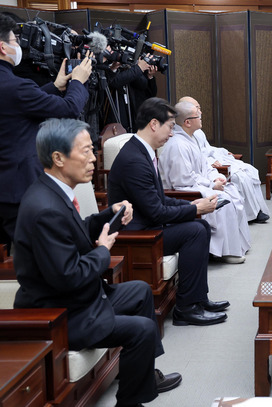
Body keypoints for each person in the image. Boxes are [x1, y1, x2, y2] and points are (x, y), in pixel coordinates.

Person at [13, 118, 182, 407]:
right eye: (87, 151)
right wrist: (103, 251)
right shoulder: (45, 209)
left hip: (79, 298)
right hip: (62, 314)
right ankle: (130, 402)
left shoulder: (54, 192)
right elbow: (68, 276)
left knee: (140, 291)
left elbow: (76, 231)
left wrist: (109, 214)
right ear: (58, 158)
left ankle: (142, 374)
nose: (94, 159)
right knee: (141, 330)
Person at [108, 97, 230, 326]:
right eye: (170, 127)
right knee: (196, 230)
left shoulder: (143, 151)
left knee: (200, 226)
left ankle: (198, 299)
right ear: (154, 124)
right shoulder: (134, 159)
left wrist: (192, 206)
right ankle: (186, 309)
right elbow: (156, 212)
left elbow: (159, 199)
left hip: (148, 226)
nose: (172, 134)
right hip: (138, 236)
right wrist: (193, 210)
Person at [0, 13, 93, 247]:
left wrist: (56, 86)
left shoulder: (13, 88)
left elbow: (17, 107)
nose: (19, 45)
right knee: (34, 258)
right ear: (2, 47)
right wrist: (78, 83)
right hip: (18, 190)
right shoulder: (16, 86)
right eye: (15, 41)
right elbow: (70, 109)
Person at [159, 101, 250, 264]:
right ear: (187, 122)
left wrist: (215, 178)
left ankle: (235, 246)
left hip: (196, 185)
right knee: (224, 201)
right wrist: (211, 185)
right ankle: (223, 251)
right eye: (198, 115)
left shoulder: (190, 139)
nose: (201, 117)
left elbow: (204, 166)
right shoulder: (178, 145)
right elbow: (183, 180)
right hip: (184, 191)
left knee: (233, 192)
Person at [178, 96, 270, 223]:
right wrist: (212, 178)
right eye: (197, 110)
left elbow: (207, 150)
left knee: (249, 170)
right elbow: (188, 174)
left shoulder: (196, 133)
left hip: (210, 167)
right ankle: (249, 214)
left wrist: (223, 152)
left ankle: (255, 210)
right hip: (199, 184)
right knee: (238, 178)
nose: (201, 113)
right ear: (186, 117)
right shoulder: (178, 144)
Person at [107, 56, 158, 133]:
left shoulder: (138, 71)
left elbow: (150, 94)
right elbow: (115, 82)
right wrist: (138, 68)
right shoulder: (132, 69)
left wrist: (150, 77)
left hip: (135, 117)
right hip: (117, 116)